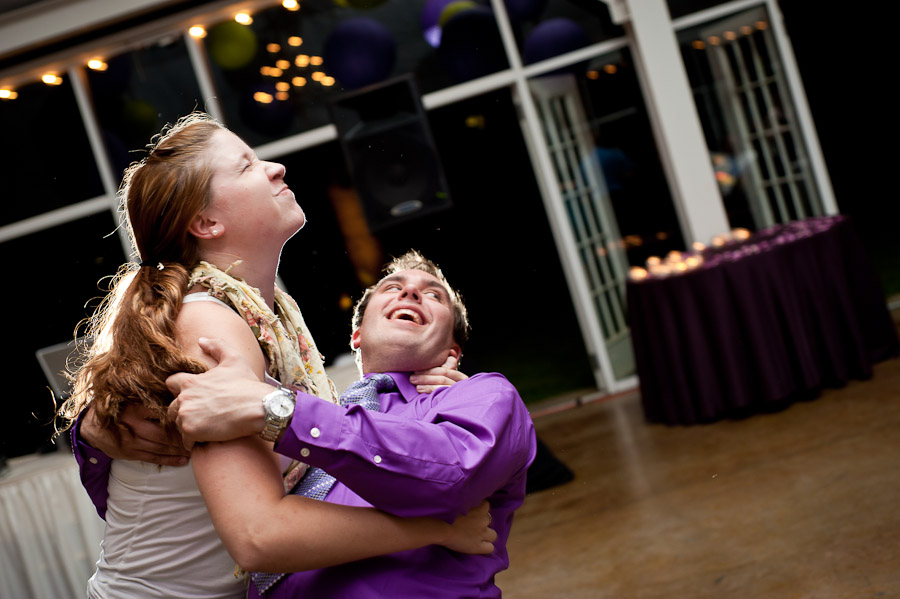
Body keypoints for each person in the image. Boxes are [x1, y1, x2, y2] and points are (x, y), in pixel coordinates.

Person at [61, 112, 495, 599]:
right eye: (246, 166)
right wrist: (436, 529)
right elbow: (257, 538)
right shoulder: (208, 323)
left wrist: (422, 396)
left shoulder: (267, 313)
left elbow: (320, 439)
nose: (276, 168)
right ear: (206, 222)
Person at [162, 250, 538, 598]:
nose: (409, 292)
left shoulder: (483, 396)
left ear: (452, 352)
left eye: (434, 296)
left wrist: (279, 412)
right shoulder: (313, 412)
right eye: (392, 288)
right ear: (356, 336)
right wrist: (105, 436)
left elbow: (454, 472)